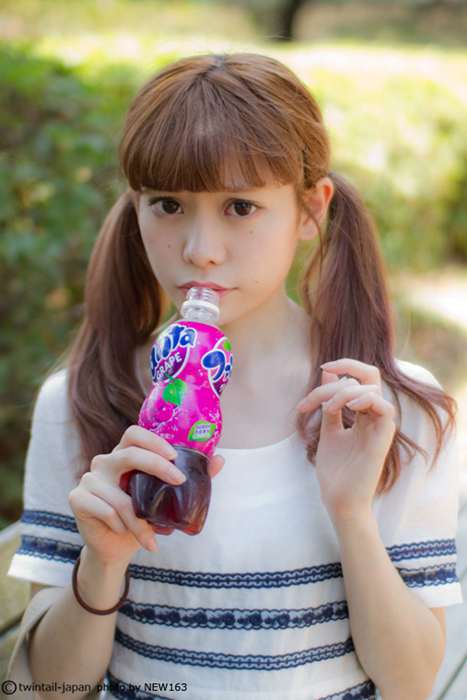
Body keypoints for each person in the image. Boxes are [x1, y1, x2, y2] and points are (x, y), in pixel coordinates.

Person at [6, 52, 464, 700]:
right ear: (135, 208)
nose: (200, 249)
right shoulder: (84, 401)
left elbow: (412, 684)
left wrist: (350, 513)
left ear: (310, 210)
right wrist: (102, 564)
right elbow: (45, 688)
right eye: (167, 204)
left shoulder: (383, 412)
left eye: (240, 207)